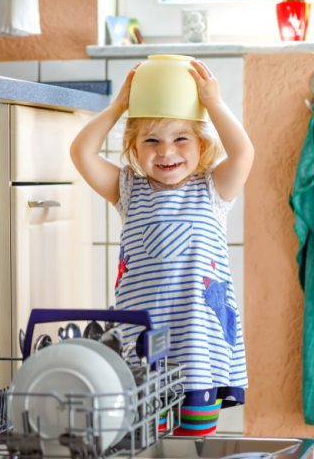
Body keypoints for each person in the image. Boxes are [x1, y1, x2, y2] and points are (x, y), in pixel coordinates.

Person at [69, 59, 254, 436]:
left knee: (191, 443)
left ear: (202, 144)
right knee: (145, 443)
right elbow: (81, 152)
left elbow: (243, 153)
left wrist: (214, 104)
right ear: (133, 147)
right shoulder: (129, 191)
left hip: (199, 350)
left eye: (181, 138)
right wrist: (120, 104)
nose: (166, 151)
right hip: (142, 351)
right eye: (151, 140)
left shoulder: (213, 189)